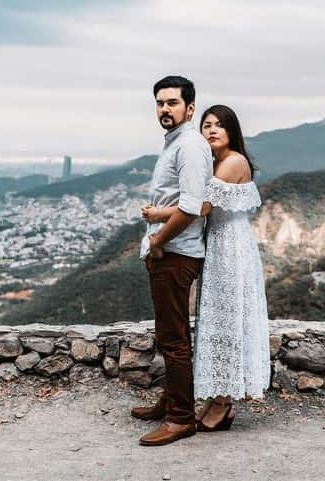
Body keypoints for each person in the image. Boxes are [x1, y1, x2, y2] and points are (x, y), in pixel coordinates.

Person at [142, 104, 270, 433]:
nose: (212, 130)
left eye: (220, 126)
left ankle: (224, 404)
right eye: (207, 125)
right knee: (217, 323)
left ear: (232, 132)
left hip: (232, 251)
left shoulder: (234, 162)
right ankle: (215, 399)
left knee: (228, 324)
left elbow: (200, 206)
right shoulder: (216, 161)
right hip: (218, 247)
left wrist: (158, 216)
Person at [130, 75, 213, 447]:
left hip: (177, 253)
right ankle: (170, 402)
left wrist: (159, 240)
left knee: (176, 339)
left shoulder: (191, 147)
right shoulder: (176, 144)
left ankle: (181, 418)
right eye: (160, 103)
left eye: (172, 103)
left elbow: (193, 207)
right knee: (168, 334)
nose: (164, 109)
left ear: (189, 108)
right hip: (169, 252)